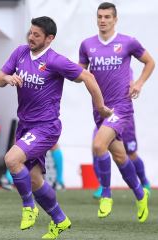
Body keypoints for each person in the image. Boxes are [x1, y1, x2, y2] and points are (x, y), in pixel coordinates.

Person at [0, 16, 112, 239]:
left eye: (36, 35)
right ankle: (60, 220)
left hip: (46, 127)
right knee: (35, 179)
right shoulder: (20, 52)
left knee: (11, 160)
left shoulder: (55, 61)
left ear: (49, 39)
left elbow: (87, 76)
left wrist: (101, 107)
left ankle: (29, 207)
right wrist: (8, 78)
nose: (31, 37)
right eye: (30, 32)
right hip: (25, 125)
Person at [79, 2, 154, 221]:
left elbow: (149, 62)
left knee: (98, 145)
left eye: (107, 17)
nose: (103, 20)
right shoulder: (87, 45)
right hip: (99, 109)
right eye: (100, 16)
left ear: (115, 19)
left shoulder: (128, 42)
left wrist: (138, 83)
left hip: (120, 107)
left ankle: (106, 193)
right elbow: (80, 73)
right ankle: (140, 195)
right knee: (120, 156)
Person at [92, 72, 151, 199]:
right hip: (105, 115)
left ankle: (145, 182)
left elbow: (131, 85)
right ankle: (103, 186)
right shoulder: (95, 59)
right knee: (97, 147)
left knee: (130, 152)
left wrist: (136, 86)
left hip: (122, 116)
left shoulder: (123, 64)